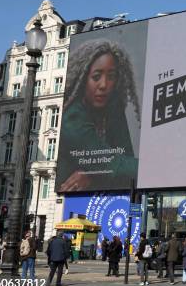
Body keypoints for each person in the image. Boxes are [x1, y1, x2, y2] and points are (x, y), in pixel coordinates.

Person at [57, 40, 140, 192]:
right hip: (69, 200)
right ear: (82, 80)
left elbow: (124, 165)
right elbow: (116, 166)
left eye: (111, 76)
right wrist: (158, 167)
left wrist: (91, 174)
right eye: (96, 77)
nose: (104, 85)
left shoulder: (112, 107)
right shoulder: (71, 118)